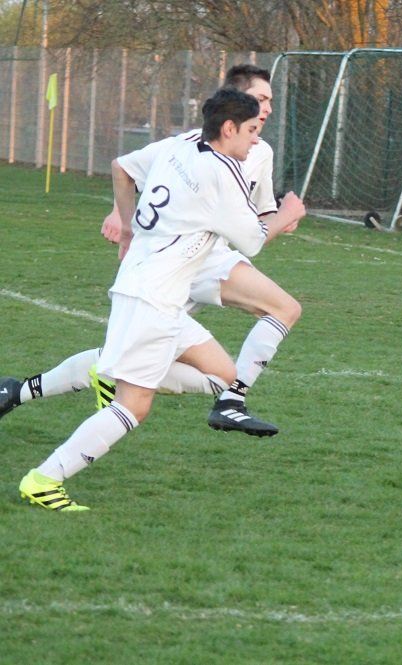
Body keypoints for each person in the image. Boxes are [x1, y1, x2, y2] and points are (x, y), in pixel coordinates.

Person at [17, 88, 298, 511]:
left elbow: (121, 167)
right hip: (153, 300)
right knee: (133, 407)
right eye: (249, 131)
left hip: (148, 290)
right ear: (228, 128)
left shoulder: (176, 147)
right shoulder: (222, 174)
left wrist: (128, 228)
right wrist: (287, 214)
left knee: (225, 376)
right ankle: (44, 480)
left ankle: (109, 370)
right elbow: (254, 242)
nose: (254, 140)